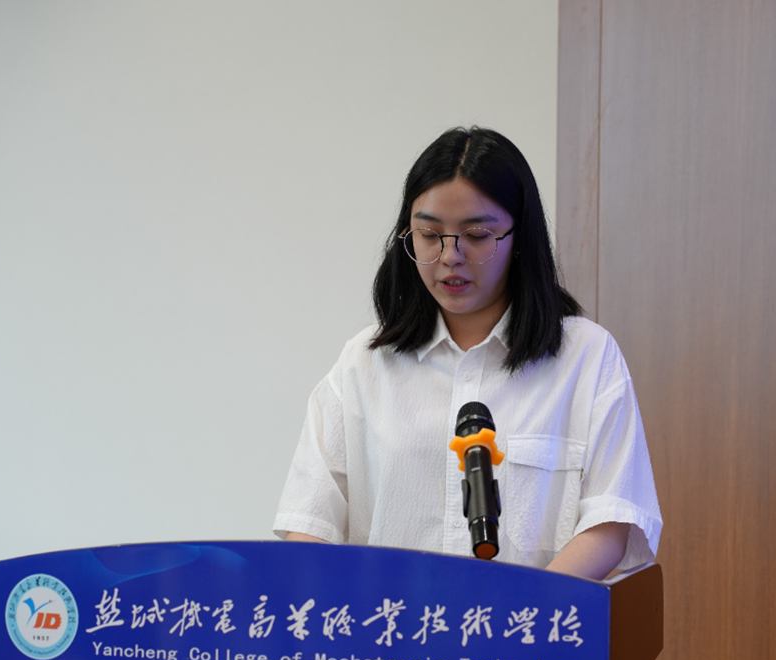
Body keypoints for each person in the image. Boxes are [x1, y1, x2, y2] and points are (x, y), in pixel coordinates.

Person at [273, 127, 661, 581]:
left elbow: (611, 521)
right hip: (393, 623)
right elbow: (309, 524)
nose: (449, 256)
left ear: (519, 237)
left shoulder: (586, 356)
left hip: (529, 624)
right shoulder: (362, 363)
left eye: (476, 235)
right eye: (429, 234)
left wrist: (522, 612)